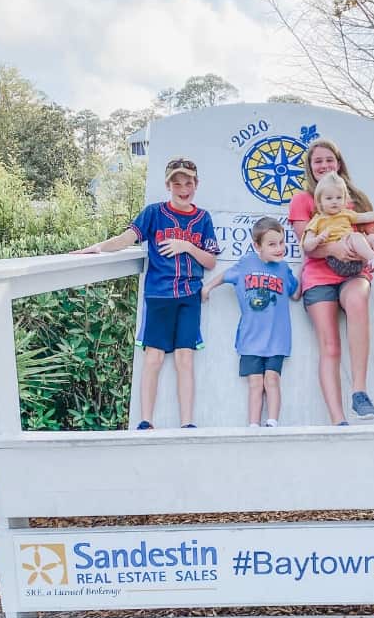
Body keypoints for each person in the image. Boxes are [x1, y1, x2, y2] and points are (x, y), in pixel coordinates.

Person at [74, 157, 219, 429]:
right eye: (177, 183)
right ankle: (145, 421)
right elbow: (127, 238)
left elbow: (210, 261)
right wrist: (98, 247)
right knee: (153, 357)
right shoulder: (154, 213)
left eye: (188, 182)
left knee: (184, 358)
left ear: (196, 184)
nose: (183, 188)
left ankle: (187, 423)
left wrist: (185, 245)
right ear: (168, 185)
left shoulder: (203, 218)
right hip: (159, 295)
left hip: (189, 295)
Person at [288, 138, 374, 425]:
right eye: (318, 161)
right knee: (330, 347)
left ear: (339, 163)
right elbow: (307, 243)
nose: (324, 165)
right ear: (310, 167)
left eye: (329, 159)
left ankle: (359, 392)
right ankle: (338, 420)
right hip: (319, 276)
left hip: (353, 272)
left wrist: (368, 249)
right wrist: (333, 248)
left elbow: (372, 234)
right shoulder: (304, 201)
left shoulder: (356, 200)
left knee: (358, 300)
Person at [202, 217, 300, 427]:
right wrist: (207, 287)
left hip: (277, 338)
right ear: (257, 246)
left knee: (272, 379)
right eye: (272, 244)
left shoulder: (284, 268)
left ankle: (272, 422)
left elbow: (295, 293)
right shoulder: (246, 263)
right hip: (251, 338)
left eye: (281, 243)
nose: (279, 248)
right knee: (255, 383)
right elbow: (224, 276)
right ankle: (253, 425)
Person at [302, 172, 374, 278]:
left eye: (339, 198)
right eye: (329, 198)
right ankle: (373, 259)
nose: (334, 202)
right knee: (355, 235)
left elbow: (366, 217)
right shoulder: (317, 220)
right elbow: (306, 246)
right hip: (339, 261)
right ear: (319, 202)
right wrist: (319, 239)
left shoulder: (346, 214)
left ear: (344, 199)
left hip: (357, 261)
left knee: (373, 238)